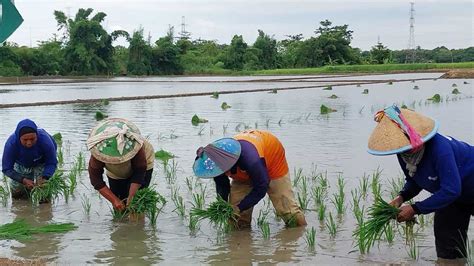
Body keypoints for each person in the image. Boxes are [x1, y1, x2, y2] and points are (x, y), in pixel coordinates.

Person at [367, 105, 474, 260]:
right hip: (453, 197)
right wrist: (401, 197)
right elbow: (415, 179)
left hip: (461, 187)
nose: (409, 148)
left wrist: (415, 209)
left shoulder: (440, 149)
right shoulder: (403, 152)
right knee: (448, 247)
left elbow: (451, 189)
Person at [193, 130, 306, 228]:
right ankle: (241, 245)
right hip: (244, 166)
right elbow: (222, 185)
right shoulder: (216, 160)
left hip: (272, 160)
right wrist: (222, 205)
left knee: (288, 211)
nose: (220, 172)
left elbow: (261, 187)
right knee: (236, 218)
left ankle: (299, 233)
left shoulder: (251, 160)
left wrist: (239, 207)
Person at [87, 118, 155, 212]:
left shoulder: (135, 145)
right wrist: (114, 200)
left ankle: (138, 225)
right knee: (119, 206)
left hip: (143, 165)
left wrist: (131, 198)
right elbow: (96, 180)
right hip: (115, 172)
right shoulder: (99, 152)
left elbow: (139, 172)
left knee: (136, 205)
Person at [2, 119, 58, 199]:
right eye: (25, 140)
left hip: (41, 162)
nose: (29, 143)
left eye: (32, 139)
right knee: (19, 196)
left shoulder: (45, 141)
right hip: (22, 163)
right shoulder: (11, 144)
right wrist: (23, 180)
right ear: (19, 138)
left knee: (44, 192)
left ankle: (45, 208)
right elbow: (6, 168)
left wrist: (45, 177)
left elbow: (51, 162)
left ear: (37, 136)